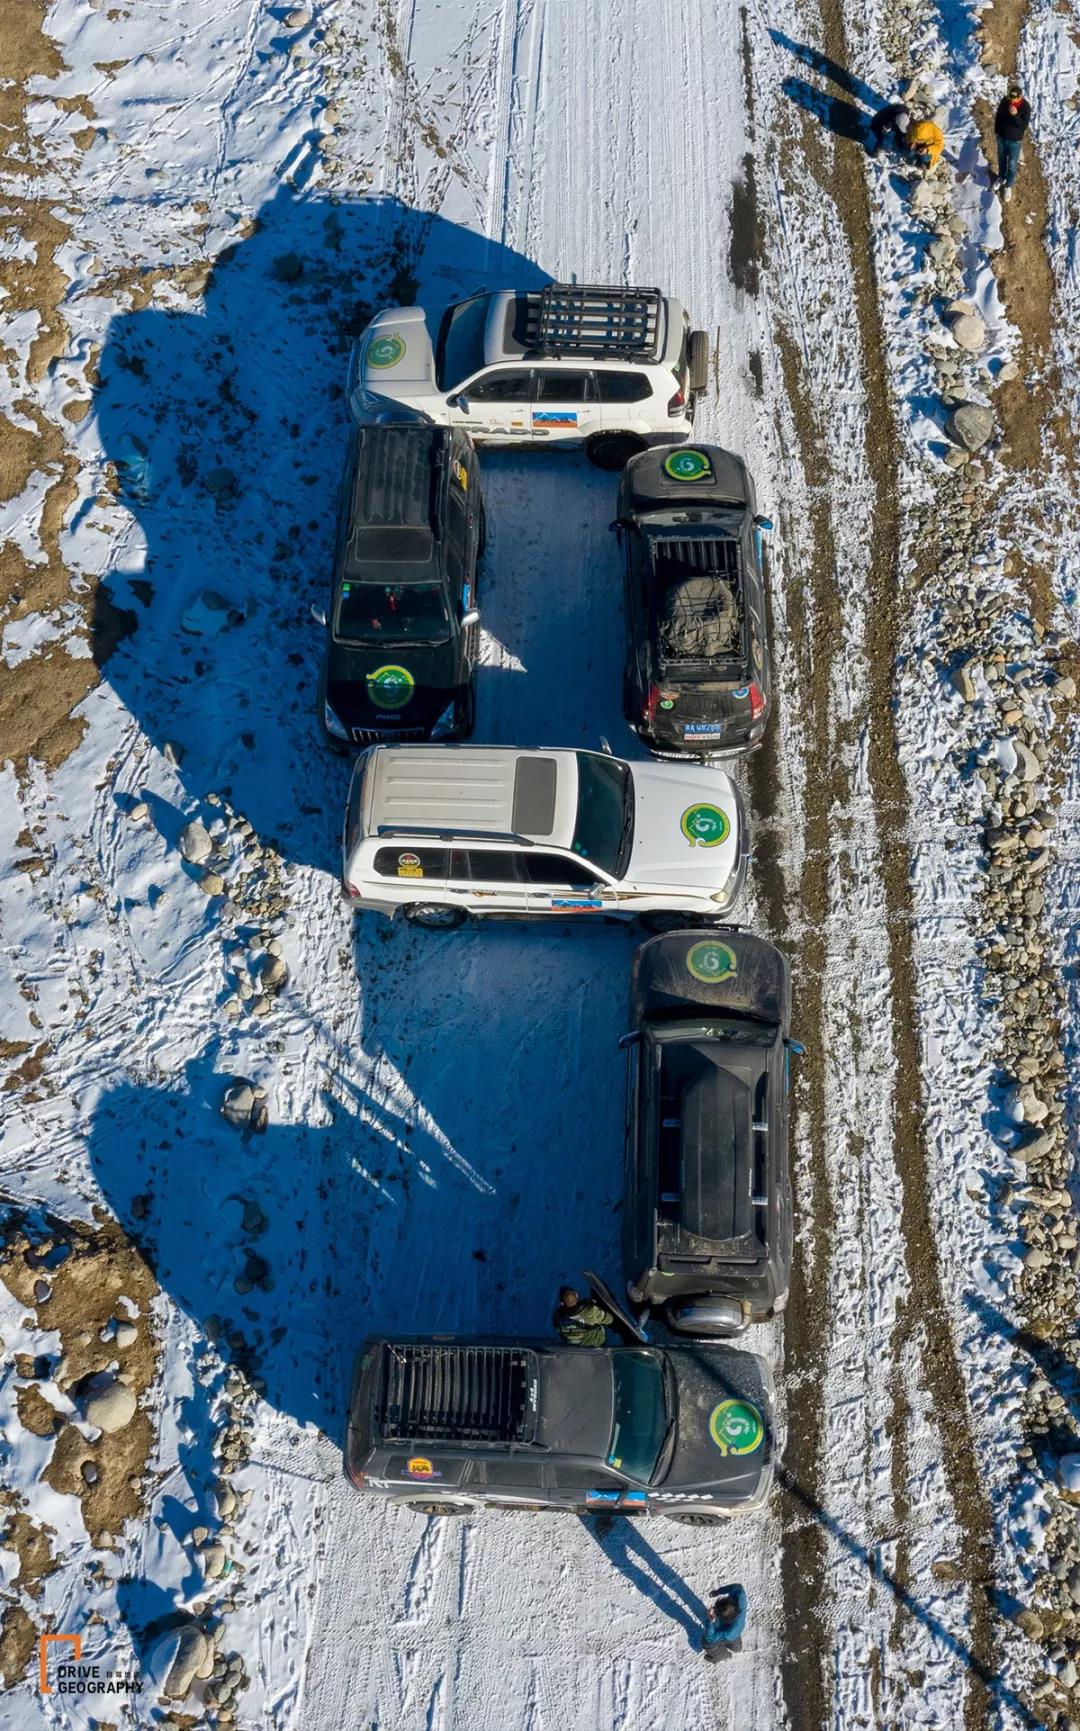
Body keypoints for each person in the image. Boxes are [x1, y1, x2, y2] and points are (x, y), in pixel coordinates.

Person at [994, 81, 1031, 203]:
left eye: (1014, 99)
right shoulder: (1005, 101)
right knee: (1001, 159)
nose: (1012, 101)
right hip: (1002, 138)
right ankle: (1001, 178)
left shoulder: (1025, 107)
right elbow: (998, 117)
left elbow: (1024, 125)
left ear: (1020, 97)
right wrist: (997, 132)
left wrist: (1015, 115)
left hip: (1015, 141)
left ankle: (1008, 186)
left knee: (1012, 164)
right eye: (1010, 98)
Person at [702, 1583, 747, 1663]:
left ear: (723, 1620)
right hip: (736, 1636)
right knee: (737, 1648)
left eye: (716, 1612)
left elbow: (710, 1638)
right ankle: (734, 1650)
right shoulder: (740, 1596)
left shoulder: (727, 1632)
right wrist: (718, 1591)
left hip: (729, 1638)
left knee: (716, 1649)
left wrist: (710, 1621)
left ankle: (722, 1656)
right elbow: (736, 1587)